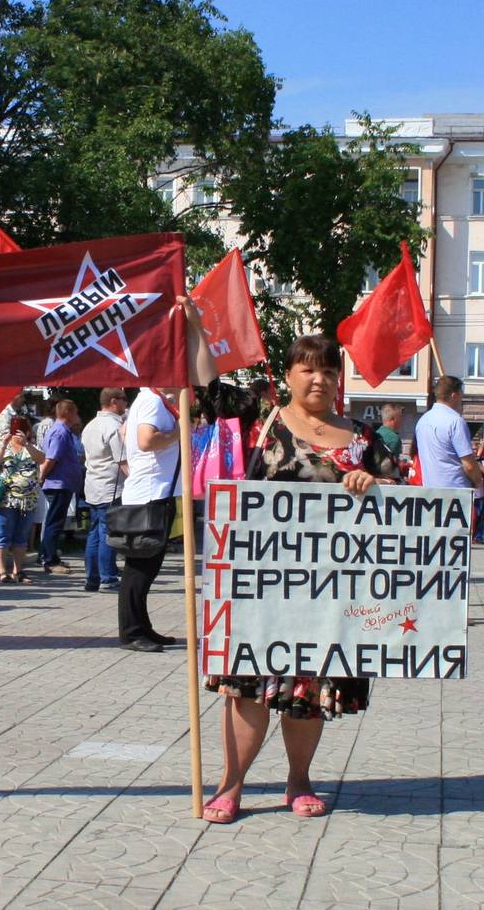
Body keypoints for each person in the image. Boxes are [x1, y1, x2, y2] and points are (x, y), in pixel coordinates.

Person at [200, 335, 401, 824]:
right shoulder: (259, 422)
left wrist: (376, 483)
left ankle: (299, 781)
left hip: (329, 594)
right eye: (308, 369)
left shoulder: (362, 439)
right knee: (246, 688)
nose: (319, 379)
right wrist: (192, 324)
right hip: (260, 587)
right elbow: (206, 387)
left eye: (329, 371)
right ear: (288, 375)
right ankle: (231, 785)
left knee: (306, 692)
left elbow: (406, 497)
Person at [116, 384, 181, 653]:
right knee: (139, 570)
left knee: (147, 568)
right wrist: (179, 431)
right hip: (150, 495)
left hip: (154, 492)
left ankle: (142, 627)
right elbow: (145, 440)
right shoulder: (151, 401)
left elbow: (124, 433)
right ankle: (131, 632)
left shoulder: (149, 400)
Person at [80, 388, 128, 593]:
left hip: (93, 485)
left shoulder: (90, 425)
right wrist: (135, 479)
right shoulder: (113, 426)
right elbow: (122, 459)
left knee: (95, 533)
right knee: (107, 533)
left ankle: (92, 578)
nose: (126, 404)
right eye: (125, 400)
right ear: (114, 401)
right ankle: (108, 578)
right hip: (111, 486)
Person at [0, 416, 45, 583]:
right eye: (14, 431)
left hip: (28, 500)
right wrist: (5, 444)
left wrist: (27, 444)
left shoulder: (32, 447)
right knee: (3, 535)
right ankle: (2, 571)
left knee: (21, 537)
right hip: (7, 500)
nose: (17, 434)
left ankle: (18, 571)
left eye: (21, 430)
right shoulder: (3, 447)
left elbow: (42, 459)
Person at [415, 377, 484, 497]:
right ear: (454, 395)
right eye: (461, 395)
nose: (462, 400)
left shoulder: (422, 421)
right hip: (456, 493)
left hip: (430, 491)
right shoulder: (455, 421)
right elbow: (468, 464)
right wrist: (479, 483)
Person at [38, 399, 84, 574]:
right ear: (68, 413)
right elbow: (51, 458)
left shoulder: (63, 431)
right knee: (53, 523)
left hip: (62, 483)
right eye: (75, 412)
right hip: (57, 484)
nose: (77, 416)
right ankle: (49, 560)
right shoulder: (60, 432)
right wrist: (42, 477)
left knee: (56, 522)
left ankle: (52, 557)